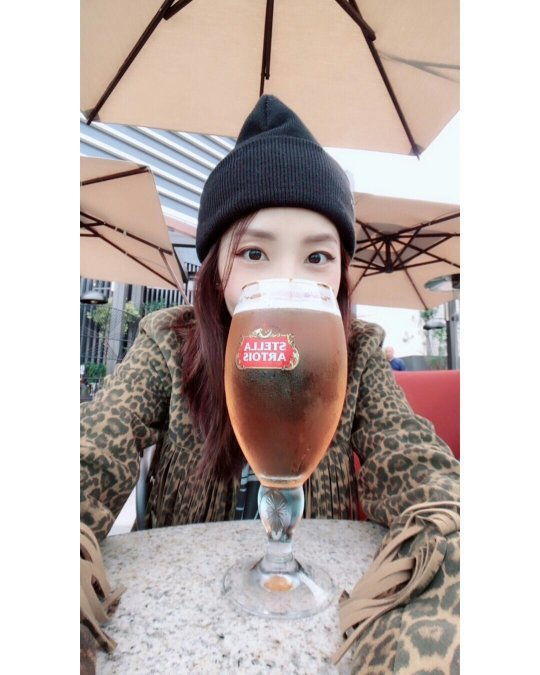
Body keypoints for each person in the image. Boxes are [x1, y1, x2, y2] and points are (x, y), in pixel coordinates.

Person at [81, 96, 459, 672]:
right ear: (216, 270)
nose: (287, 279)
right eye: (254, 252)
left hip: (316, 620)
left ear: (341, 273)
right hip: (190, 627)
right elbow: (91, 454)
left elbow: (417, 466)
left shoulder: (356, 352)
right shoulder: (167, 343)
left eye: (317, 257)